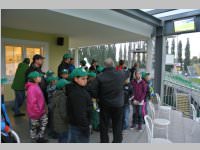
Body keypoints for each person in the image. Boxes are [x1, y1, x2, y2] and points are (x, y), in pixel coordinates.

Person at [88, 58, 129, 143]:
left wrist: (98, 97)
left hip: (105, 104)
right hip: (118, 105)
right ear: (113, 64)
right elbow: (128, 73)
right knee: (117, 125)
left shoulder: (100, 76)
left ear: (104, 65)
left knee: (104, 126)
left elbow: (93, 90)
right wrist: (124, 67)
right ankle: (117, 142)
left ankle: (104, 143)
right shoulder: (120, 74)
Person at [66, 68, 93, 143]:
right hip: (80, 127)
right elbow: (80, 114)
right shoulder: (77, 94)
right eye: (83, 79)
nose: (85, 80)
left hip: (76, 125)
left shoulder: (79, 89)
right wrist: (86, 128)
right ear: (75, 79)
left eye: (86, 78)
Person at [26, 71, 48, 143]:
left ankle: (39, 137)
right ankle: (35, 139)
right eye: (39, 76)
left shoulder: (35, 85)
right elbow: (32, 103)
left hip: (40, 111)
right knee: (34, 127)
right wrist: (38, 113)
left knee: (42, 124)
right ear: (34, 78)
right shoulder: (32, 88)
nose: (40, 77)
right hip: (36, 113)